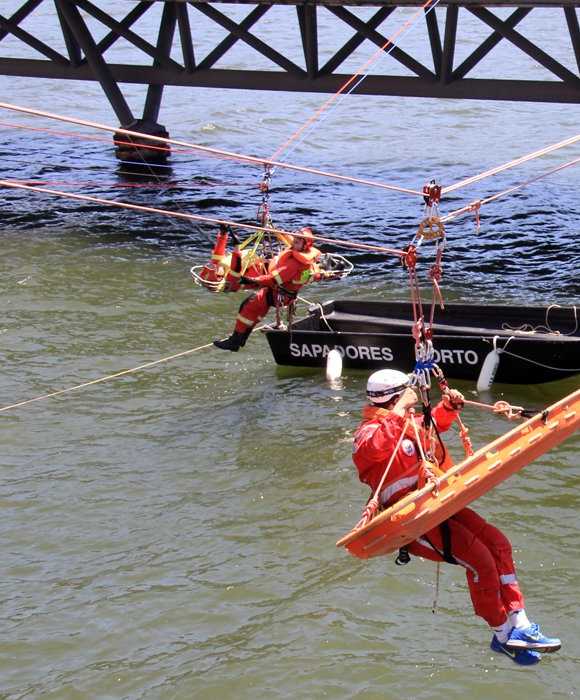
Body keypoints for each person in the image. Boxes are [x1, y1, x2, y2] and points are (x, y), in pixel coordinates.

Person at [352, 369, 561, 666]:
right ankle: (502, 636)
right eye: (408, 396)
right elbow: (373, 450)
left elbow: (433, 426)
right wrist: (398, 412)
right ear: (395, 398)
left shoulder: (409, 422)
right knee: (481, 562)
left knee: (498, 544)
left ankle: (521, 624)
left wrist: (448, 407)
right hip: (415, 521)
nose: (414, 401)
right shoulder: (369, 431)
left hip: (438, 504)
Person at [213, 227, 324, 351]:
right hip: (284, 292)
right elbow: (310, 274)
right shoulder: (304, 258)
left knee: (248, 306)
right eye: (294, 239)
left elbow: (272, 279)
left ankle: (235, 341)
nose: (293, 242)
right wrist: (276, 230)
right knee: (254, 311)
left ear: (304, 246)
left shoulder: (293, 265)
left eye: (297, 241)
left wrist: (251, 280)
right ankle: (239, 339)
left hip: (279, 294)